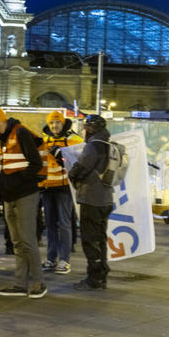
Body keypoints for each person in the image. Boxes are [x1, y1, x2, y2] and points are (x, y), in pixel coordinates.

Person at [0, 105, 47, 298]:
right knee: (17, 241)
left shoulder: (20, 133)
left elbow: (35, 163)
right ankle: (20, 284)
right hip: (10, 195)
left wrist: (17, 182)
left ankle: (38, 282)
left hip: (25, 194)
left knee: (27, 240)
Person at [68, 115, 113, 290]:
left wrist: (72, 176)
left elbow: (80, 167)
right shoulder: (109, 145)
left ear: (92, 128)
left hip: (92, 198)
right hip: (106, 198)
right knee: (101, 238)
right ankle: (102, 274)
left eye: (87, 127)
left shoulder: (93, 146)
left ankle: (94, 279)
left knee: (90, 239)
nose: (85, 130)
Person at [39, 111, 83, 275]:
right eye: (51, 123)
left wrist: (62, 157)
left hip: (65, 188)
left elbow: (80, 162)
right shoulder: (44, 141)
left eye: (57, 123)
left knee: (64, 224)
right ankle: (51, 259)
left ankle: (64, 260)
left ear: (63, 123)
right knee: (50, 225)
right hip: (48, 188)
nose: (54, 126)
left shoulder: (74, 140)